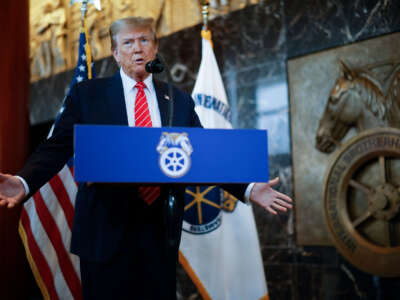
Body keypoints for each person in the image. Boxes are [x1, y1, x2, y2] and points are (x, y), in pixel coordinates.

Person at [0, 17, 293, 300]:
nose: (137, 48)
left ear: (154, 48)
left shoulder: (178, 100)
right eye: (127, 42)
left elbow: (205, 154)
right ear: (115, 53)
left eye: (144, 40)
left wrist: (248, 188)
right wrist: (24, 182)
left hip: (159, 233)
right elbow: (57, 147)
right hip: (105, 233)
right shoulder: (88, 95)